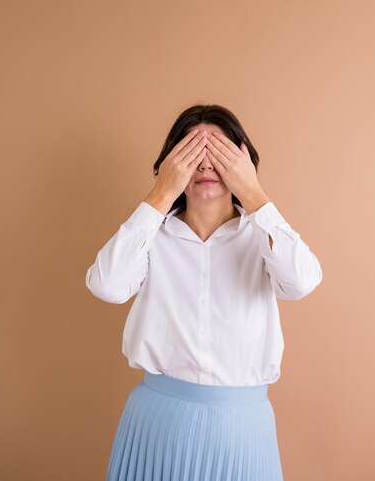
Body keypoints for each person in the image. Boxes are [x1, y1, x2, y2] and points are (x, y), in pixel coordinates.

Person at [85, 103, 323, 481]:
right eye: (193, 153)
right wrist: (160, 195)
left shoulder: (263, 237)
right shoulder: (151, 235)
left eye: (220, 153)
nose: (207, 165)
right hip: (157, 424)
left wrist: (255, 194)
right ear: (171, 163)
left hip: (242, 428)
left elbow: (302, 282)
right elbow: (107, 285)